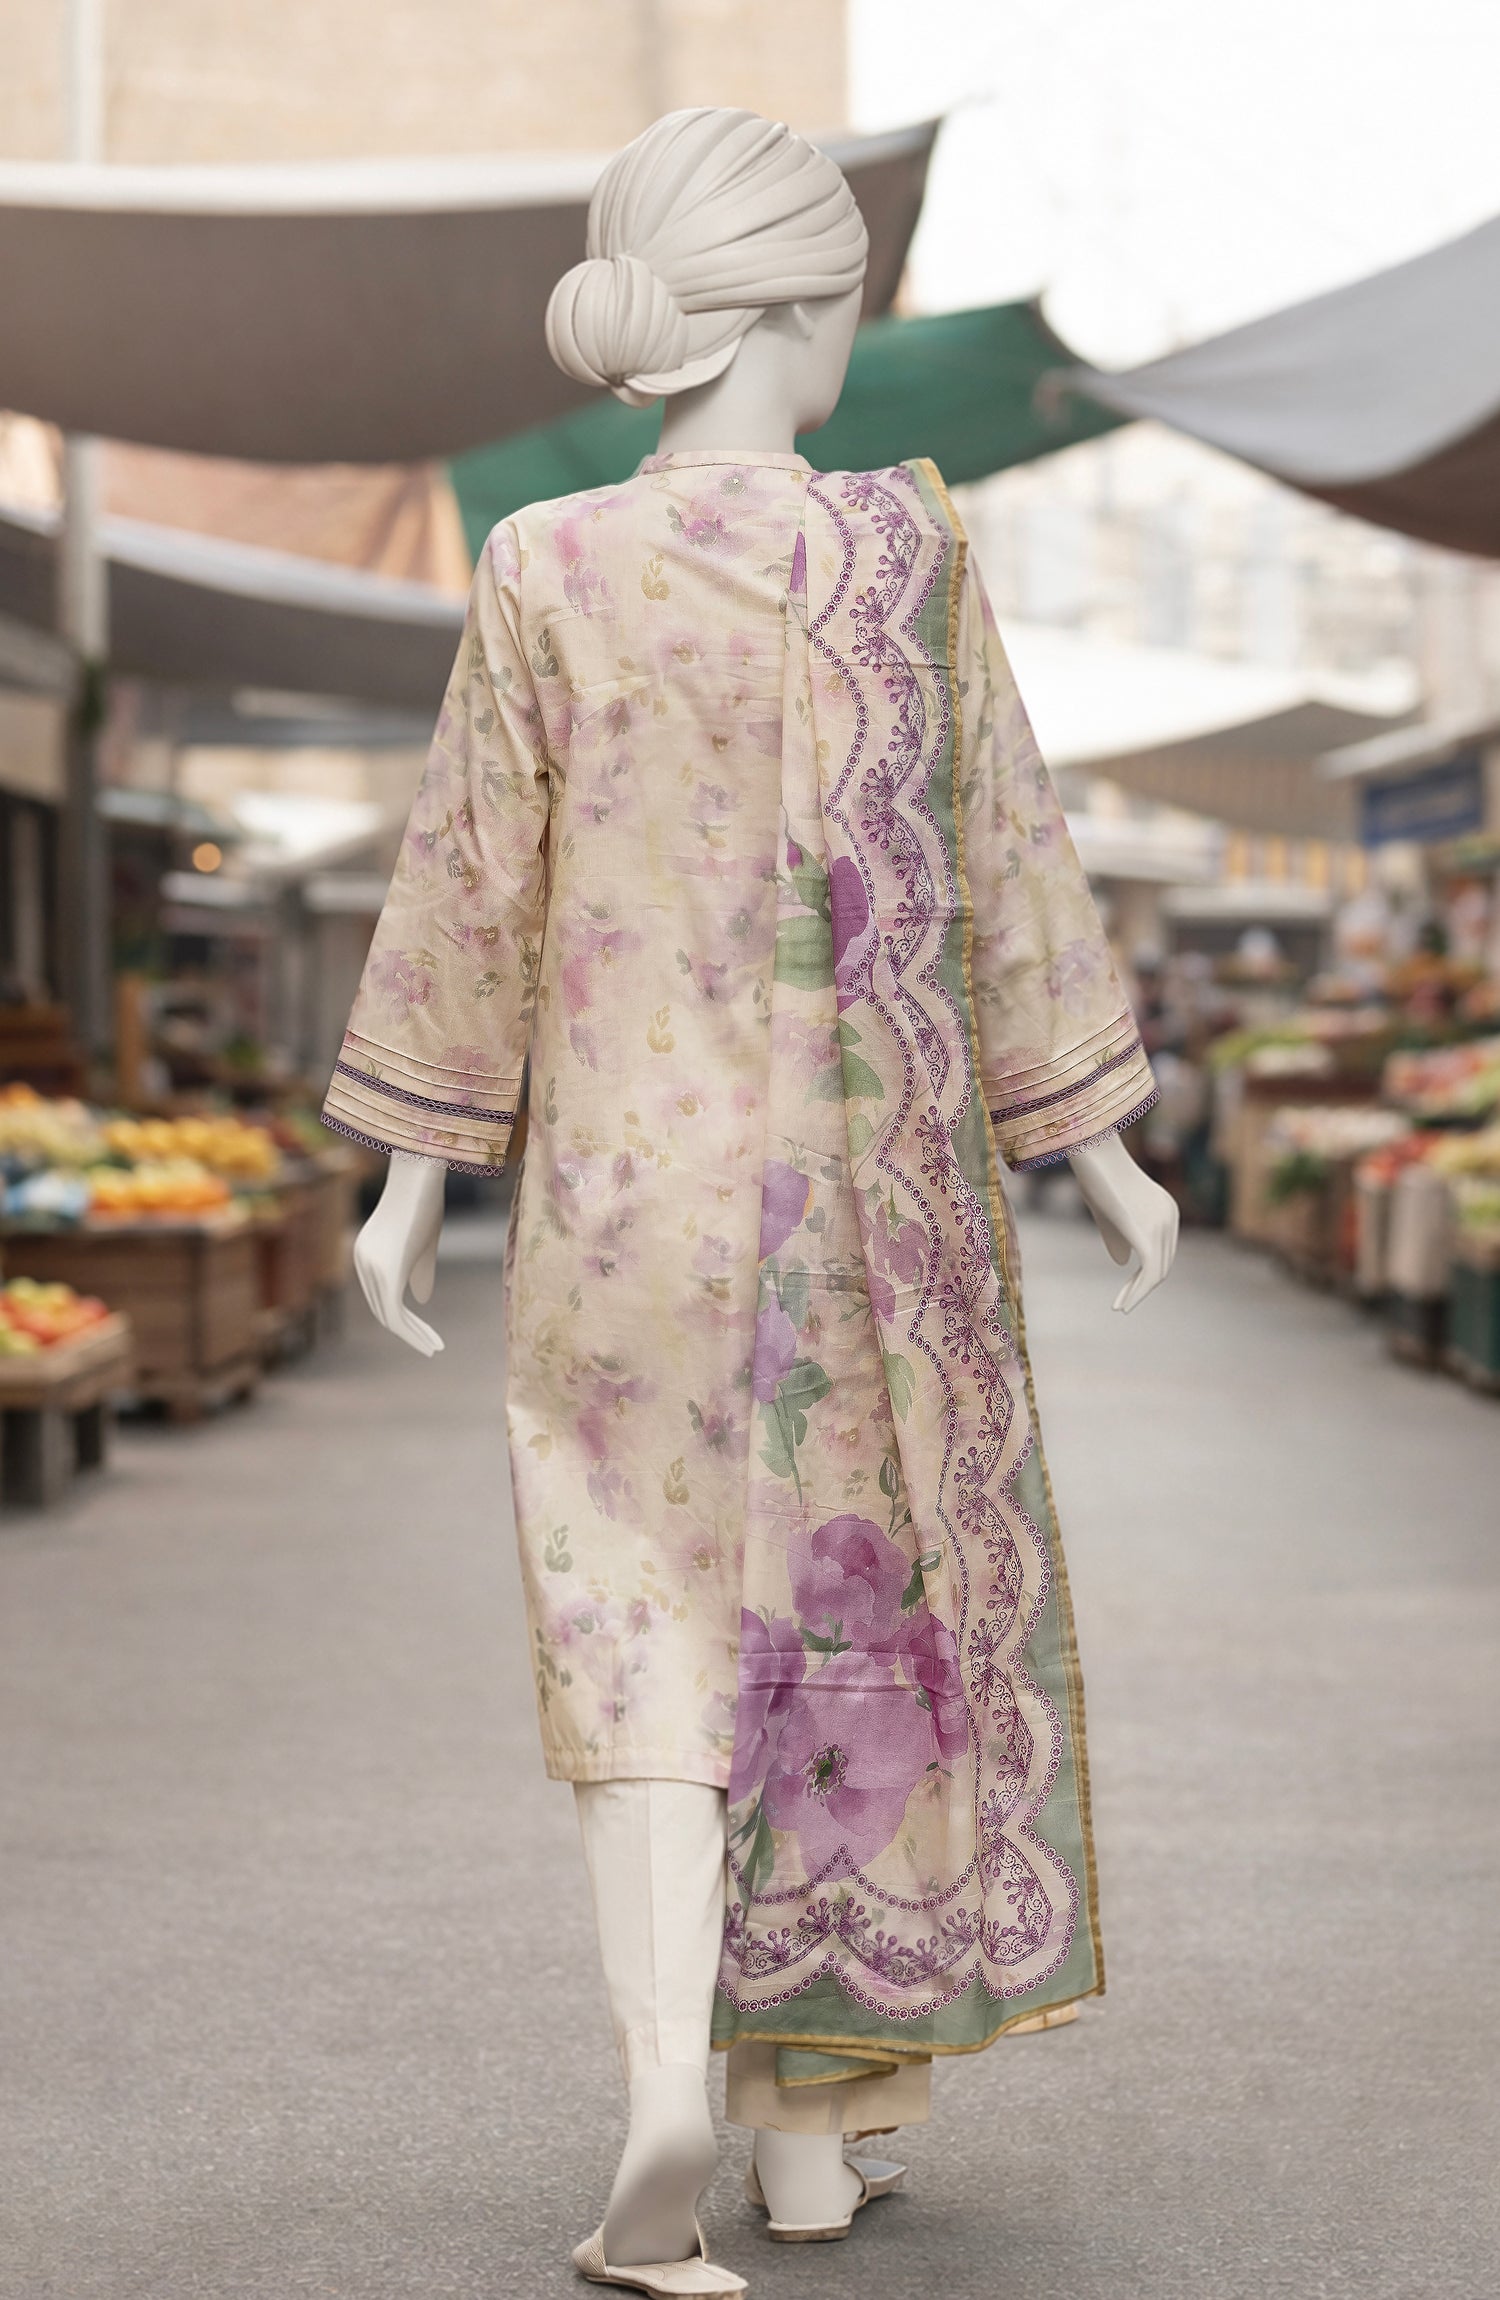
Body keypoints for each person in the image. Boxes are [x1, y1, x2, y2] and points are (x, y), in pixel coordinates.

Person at [326, 107, 1178, 2299]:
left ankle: (697, 2113)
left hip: (622, 1208)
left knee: (638, 1627)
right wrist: (1095, 1137)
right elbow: (1002, 853)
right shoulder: (904, 551)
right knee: (837, 1634)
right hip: (857, 1212)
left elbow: (472, 886)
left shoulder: (543, 564)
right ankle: (796, 2119)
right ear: (811, 305)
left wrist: (412, 1175)